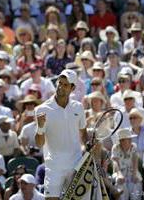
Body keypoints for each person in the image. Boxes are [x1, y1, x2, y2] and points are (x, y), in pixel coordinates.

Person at [35, 69, 88, 199]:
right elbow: (39, 143)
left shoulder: (78, 107)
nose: (60, 87)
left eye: (65, 85)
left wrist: (88, 145)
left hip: (75, 165)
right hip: (54, 166)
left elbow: (84, 134)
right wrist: (40, 127)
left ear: (73, 88)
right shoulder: (42, 109)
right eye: (60, 83)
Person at [111, 128, 143, 200]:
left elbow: (135, 160)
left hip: (132, 170)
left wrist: (134, 174)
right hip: (119, 171)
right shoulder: (115, 148)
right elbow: (115, 162)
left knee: (137, 181)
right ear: (121, 141)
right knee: (119, 181)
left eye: (130, 139)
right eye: (127, 139)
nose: (130, 140)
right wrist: (119, 174)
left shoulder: (133, 146)